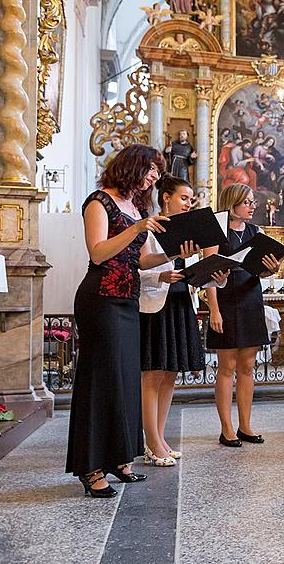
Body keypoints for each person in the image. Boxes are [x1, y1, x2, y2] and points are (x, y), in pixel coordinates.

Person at [66, 145, 170, 497]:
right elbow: (98, 251)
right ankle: (91, 467)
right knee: (101, 380)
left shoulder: (137, 206)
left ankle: (120, 459)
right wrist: (138, 226)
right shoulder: (99, 202)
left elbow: (141, 260)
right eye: (151, 171)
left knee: (125, 380)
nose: (153, 179)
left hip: (128, 300)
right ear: (133, 166)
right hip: (100, 299)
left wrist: (174, 252)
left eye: (156, 175)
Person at [139, 175, 228, 466]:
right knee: (153, 375)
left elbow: (196, 273)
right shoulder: (150, 227)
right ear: (166, 197)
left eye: (191, 199)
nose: (189, 203)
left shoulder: (192, 230)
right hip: (156, 303)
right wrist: (159, 275)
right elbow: (133, 269)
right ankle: (151, 441)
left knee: (170, 375)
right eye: (184, 198)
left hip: (180, 301)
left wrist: (217, 275)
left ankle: (160, 437)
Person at [204, 184, 281, 448]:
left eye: (252, 202)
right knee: (226, 368)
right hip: (225, 301)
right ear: (233, 203)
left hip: (250, 300)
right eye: (247, 202)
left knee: (248, 366)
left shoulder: (254, 232)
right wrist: (213, 309)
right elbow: (208, 274)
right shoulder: (216, 232)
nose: (252, 206)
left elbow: (259, 271)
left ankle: (245, 425)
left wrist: (272, 269)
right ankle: (227, 429)